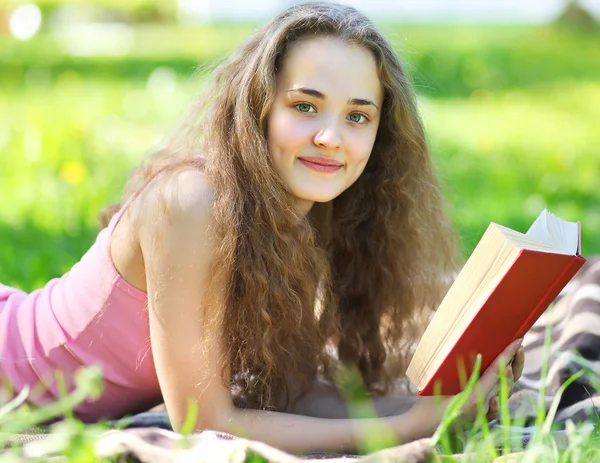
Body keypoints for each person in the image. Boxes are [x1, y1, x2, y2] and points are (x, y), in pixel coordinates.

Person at [0, 2, 524, 454]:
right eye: (305, 106)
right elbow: (202, 423)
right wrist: (403, 428)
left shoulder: (312, 217)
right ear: (259, 108)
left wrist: (433, 406)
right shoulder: (193, 203)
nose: (330, 136)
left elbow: (285, 396)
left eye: (358, 116)